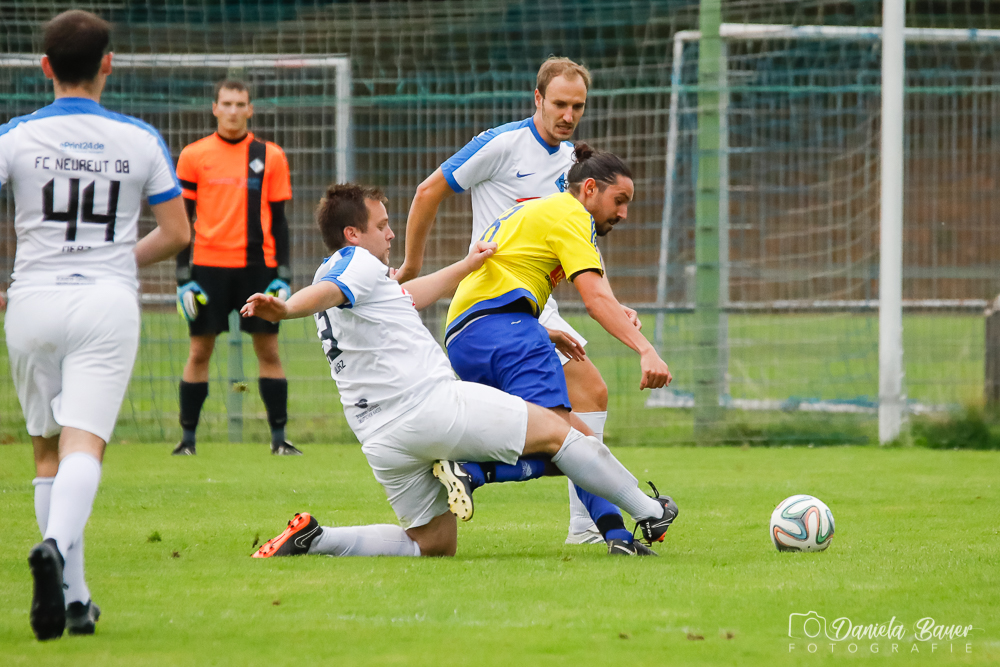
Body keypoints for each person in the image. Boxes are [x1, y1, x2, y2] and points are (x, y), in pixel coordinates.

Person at [242, 184, 673, 559]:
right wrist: (284, 308)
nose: (391, 233)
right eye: (382, 225)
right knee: (566, 433)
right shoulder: (352, 261)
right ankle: (651, 512)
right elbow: (326, 289)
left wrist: (467, 266)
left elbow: (405, 294)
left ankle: (317, 539)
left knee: (432, 544)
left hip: (380, 438)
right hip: (430, 407)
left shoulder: (368, 282)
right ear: (353, 234)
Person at [0, 10, 190, 640]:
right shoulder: (138, 139)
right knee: (86, 443)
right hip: (106, 304)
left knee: (46, 446)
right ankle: (54, 548)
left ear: (46, 67)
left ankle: (76, 599)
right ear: (108, 64)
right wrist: (111, 259)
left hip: (30, 301)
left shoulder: (16, 137)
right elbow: (177, 233)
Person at [396, 56, 638, 545]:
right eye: (560, 104)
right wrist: (411, 268)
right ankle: (588, 522)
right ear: (537, 100)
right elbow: (427, 192)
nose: (568, 115)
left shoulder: (576, 167)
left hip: (534, 306)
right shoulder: (504, 144)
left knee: (584, 400)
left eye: (578, 106)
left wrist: (612, 299)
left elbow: (573, 246)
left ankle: (581, 524)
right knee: (561, 420)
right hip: (495, 303)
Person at [439, 144, 678, 553]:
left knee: (564, 444)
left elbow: (518, 272)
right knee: (571, 439)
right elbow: (595, 299)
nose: (623, 214)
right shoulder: (572, 214)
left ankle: (619, 536)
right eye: (619, 201)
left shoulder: (543, 209)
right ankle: (472, 471)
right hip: (508, 328)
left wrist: (544, 332)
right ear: (589, 189)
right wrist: (645, 350)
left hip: (468, 336)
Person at [171, 79, 298, 456]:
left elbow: (279, 221)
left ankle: (279, 440)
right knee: (199, 352)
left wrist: (283, 275)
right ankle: (188, 441)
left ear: (250, 110)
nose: (232, 110)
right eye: (225, 103)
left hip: (258, 269)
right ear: (214, 108)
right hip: (207, 269)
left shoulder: (270, 155)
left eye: (240, 103)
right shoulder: (194, 155)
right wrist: (183, 278)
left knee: (269, 350)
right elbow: (181, 220)